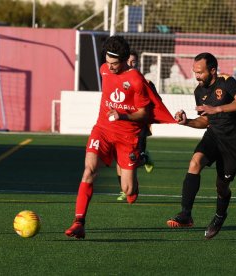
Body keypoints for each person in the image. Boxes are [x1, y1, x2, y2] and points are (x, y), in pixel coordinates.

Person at [64, 35, 175, 239]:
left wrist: (121, 115)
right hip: (103, 130)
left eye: (115, 63)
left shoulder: (136, 80)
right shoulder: (104, 69)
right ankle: (79, 222)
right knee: (89, 170)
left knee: (129, 191)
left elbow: (143, 113)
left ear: (124, 60)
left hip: (128, 136)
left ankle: (134, 166)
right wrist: (112, 116)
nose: (110, 67)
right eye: (107, 61)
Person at [166, 52, 236, 240]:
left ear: (212, 70)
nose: (196, 76)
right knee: (195, 162)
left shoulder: (226, 82)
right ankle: (186, 215)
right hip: (213, 135)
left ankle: (220, 216)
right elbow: (205, 121)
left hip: (234, 143)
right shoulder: (199, 91)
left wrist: (218, 108)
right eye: (194, 72)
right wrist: (187, 121)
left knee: (222, 187)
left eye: (200, 72)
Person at [116, 50, 155, 201]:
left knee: (131, 159)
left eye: (134, 62)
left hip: (138, 129)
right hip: (120, 126)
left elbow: (154, 105)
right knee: (119, 159)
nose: (132, 65)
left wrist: (149, 123)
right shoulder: (118, 80)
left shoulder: (145, 83)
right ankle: (123, 190)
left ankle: (144, 159)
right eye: (129, 62)